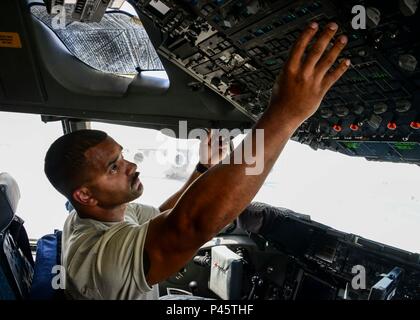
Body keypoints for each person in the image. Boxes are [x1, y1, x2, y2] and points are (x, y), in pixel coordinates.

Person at [44, 21, 350, 299]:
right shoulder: (99, 259)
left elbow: (165, 217)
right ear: (84, 195)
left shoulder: (98, 215)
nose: (132, 166)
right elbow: (188, 225)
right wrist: (286, 114)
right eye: (114, 167)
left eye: (122, 156)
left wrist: (203, 169)